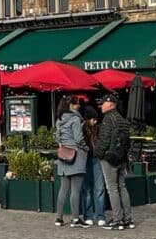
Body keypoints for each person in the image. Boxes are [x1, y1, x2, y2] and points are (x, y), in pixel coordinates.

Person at [93, 93, 133, 230]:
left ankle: (117, 219)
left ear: (110, 104)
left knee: (112, 188)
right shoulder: (122, 119)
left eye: (102, 104)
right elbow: (128, 141)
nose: (100, 106)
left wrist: (97, 153)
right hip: (121, 157)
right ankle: (128, 218)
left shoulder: (108, 119)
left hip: (109, 158)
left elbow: (104, 140)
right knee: (122, 186)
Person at [54, 96, 88, 228]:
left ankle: (59, 218)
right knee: (75, 190)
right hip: (76, 156)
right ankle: (75, 219)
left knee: (63, 189)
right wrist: (87, 148)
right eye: (77, 103)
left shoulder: (59, 120)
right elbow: (79, 139)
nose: (79, 105)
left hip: (63, 156)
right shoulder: (75, 119)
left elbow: (57, 137)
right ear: (72, 105)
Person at [81, 105, 106, 226]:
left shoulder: (98, 129)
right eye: (93, 119)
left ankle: (100, 215)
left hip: (96, 159)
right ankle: (88, 215)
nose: (95, 121)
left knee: (99, 188)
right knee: (87, 189)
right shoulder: (81, 129)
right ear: (88, 119)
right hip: (85, 160)